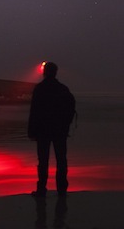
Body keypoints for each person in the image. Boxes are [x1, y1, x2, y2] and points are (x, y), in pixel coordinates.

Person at [28, 61, 76, 197]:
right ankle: (62, 188)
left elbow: (34, 111)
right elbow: (70, 109)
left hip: (43, 130)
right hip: (60, 130)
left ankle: (42, 189)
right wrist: (66, 125)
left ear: (44, 72)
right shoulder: (63, 89)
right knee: (61, 160)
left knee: (43, 161)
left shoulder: (40, 89)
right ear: (56, 72)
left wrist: (31, 131)